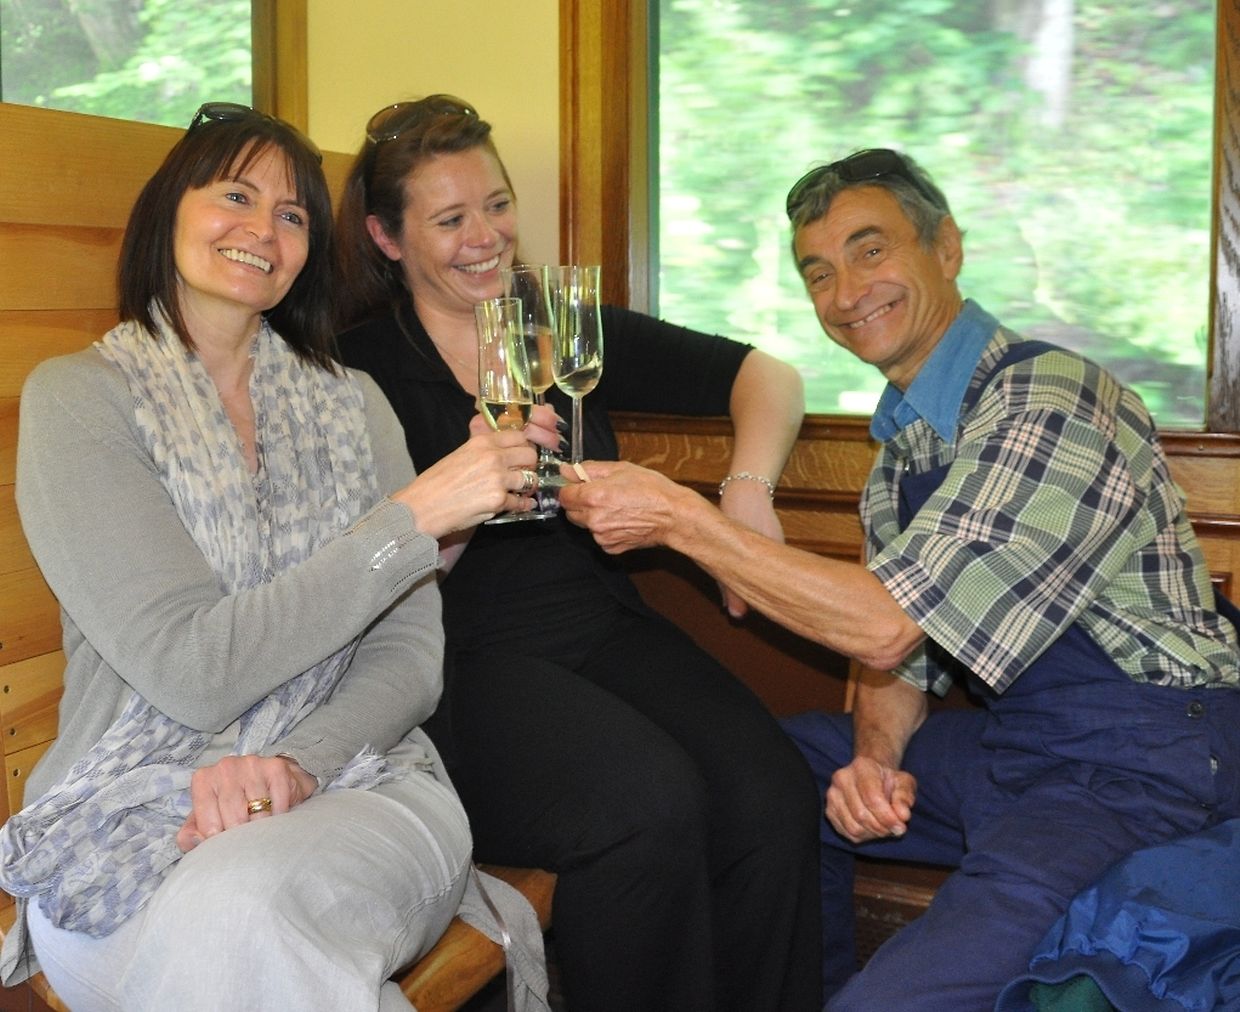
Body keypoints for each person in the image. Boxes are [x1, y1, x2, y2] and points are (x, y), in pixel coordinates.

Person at [557, 147, 1240, 1009]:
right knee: (764, 770)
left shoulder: (1048, 398)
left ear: (946, 247)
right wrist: (874, 761)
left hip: (1143, 759)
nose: (846, 293)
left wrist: (684, 520)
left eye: (871, 250)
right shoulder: (903, 449)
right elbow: (904, 662)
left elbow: (886, 624)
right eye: (818, 273)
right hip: (1017, 744)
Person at [0, 103, 552, 1011]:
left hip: (361, 779)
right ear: (169, 209)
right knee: (244, 945)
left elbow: (409, 654)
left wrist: (298, 763)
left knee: (239, 915)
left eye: (292, 214)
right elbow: (193, 670)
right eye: (236, 196)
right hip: (117, 815)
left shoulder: (355, 404)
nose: (263, 228)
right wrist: (408, 520)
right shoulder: (80, 402)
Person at [333, 94, 823, 1011]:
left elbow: (768, 376)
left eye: (497, 205)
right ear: (387, 238)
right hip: (455, 661)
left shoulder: (559, 327)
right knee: (649, 808)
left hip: (602, 627)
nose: (486, 236)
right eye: (450, 219)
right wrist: (475, 490)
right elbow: (364, 583)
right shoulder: (351, 369)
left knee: (773, 794)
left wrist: (746, 494)